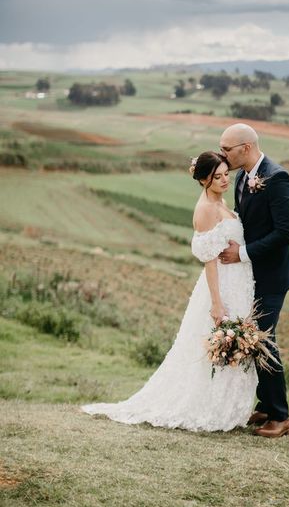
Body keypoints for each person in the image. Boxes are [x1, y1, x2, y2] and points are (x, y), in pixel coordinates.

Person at [82, 151, 257, 432]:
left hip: (238, 282)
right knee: (216, 342)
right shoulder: (205, 210)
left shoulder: (219, 201)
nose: (225, 180)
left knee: (234, 343)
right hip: (221, 286)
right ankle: (207, 406)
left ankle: (226, 406)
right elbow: (210, 261)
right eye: (218, 177)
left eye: (226, 174)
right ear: (203, 180)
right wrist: (216, 304)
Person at [219, 123, 289, 438]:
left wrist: (244, 253)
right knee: (255, 336)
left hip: (273, 275)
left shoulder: (277, 179)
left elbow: (286, 232)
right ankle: (265, 405)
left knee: (262, 340)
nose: (223, 154)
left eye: (227, 149)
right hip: (251, 275)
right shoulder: (242, 177)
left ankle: (281, 416)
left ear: (246, 148)